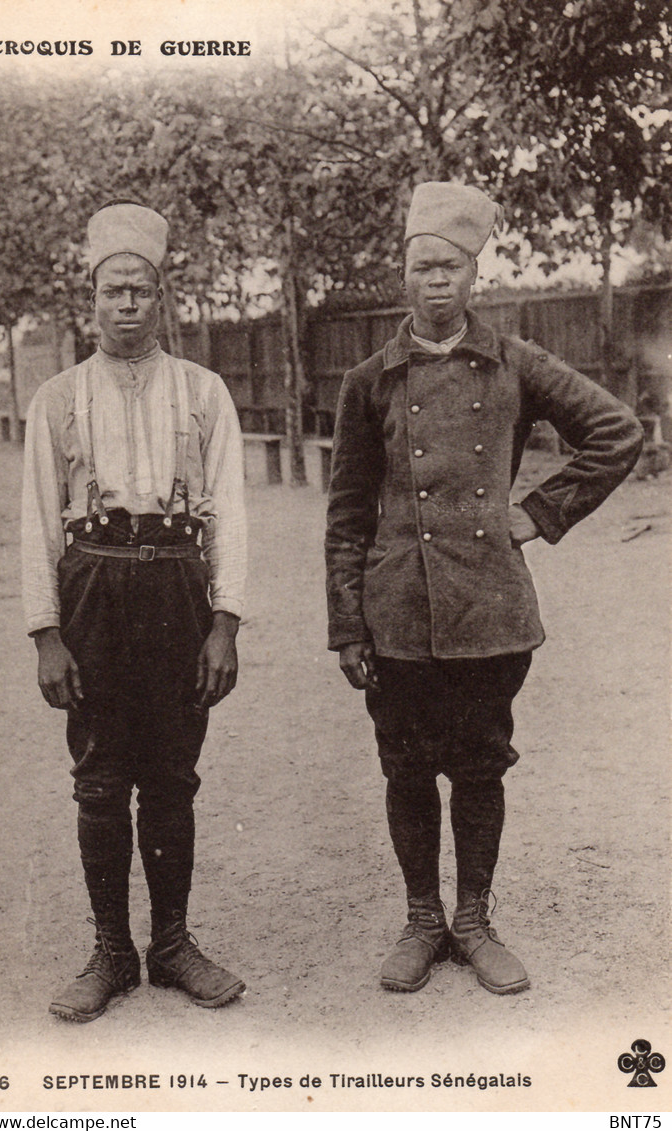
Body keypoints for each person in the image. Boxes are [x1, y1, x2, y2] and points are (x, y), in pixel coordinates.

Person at [324, 182, 644, 996]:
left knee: (477, 768)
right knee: (403, 768)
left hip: (489, 613)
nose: (435, 281)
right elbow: (346, 513)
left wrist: (537, 512)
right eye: (420, 266)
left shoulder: (514, 362)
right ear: (401, 275)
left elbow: (616, 432)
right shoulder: (368, 380)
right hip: (396, 613)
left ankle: (472, 920)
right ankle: (422, 919)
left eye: (451, 266)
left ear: (475, 276)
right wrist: (346, 625)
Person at [22, 200, 247, 1021]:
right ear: (91, 298)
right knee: (99, 779)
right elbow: (37, 519)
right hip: (93, 588)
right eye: (112, 290)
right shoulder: (57, 397)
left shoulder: (203, 391)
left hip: (178, 587)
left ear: (162, 298)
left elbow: (230, 510)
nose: (126, 305)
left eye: (140, 291)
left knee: (173, 776)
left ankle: (174, 943)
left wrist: (226, 621)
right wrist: (47, 634)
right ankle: (112, 951)